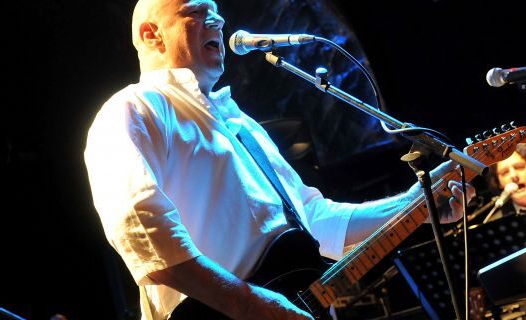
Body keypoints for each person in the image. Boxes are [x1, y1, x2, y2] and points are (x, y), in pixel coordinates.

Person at [83, 0, 475, 319]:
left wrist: (416, 204)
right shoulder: (133, 109)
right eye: (198, 11)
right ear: (151, 34)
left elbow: (318, 220)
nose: (218, 19)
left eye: (217, 10)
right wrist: (252, 306)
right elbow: (141, 230)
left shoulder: (241, 124)